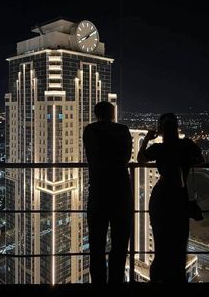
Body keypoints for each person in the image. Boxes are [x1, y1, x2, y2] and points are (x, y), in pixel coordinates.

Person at [137, 113, 204, 283]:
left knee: (161, 243)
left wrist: (147, 139)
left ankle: (158, 281)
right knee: (179, 242)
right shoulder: (186, 144)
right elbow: (200, 159)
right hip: (180, 197)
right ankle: (176, 280)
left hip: (161, 196)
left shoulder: (159, 148)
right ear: (176, 127)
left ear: (161, 130)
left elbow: (141, 159)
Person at [83, 101, 133, 287]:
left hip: (98, 191)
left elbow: (93, 153)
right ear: (113, 114)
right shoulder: (123, 130)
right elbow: (127, 157)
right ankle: (115, 284)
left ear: (96, 114)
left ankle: (98, 286)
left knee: (96, 245)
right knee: (120, 244)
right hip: (121, 191)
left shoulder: (90, 131)